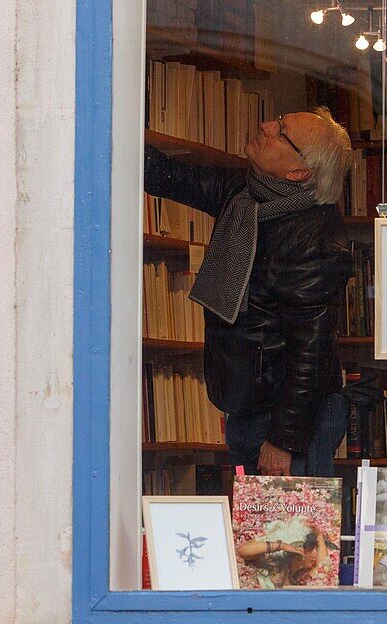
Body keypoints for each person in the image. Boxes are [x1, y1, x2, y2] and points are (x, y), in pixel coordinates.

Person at [144, 108, 354, 477]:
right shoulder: (245, 194)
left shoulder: (316, 239)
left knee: (289, 533)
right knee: (258, 533)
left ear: (298, 172)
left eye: (281, 131)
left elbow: (311, 351)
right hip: (248, 406)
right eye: (277, 120)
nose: (265, 126)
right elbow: (167, 176)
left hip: (289, 421)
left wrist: (282, 441)